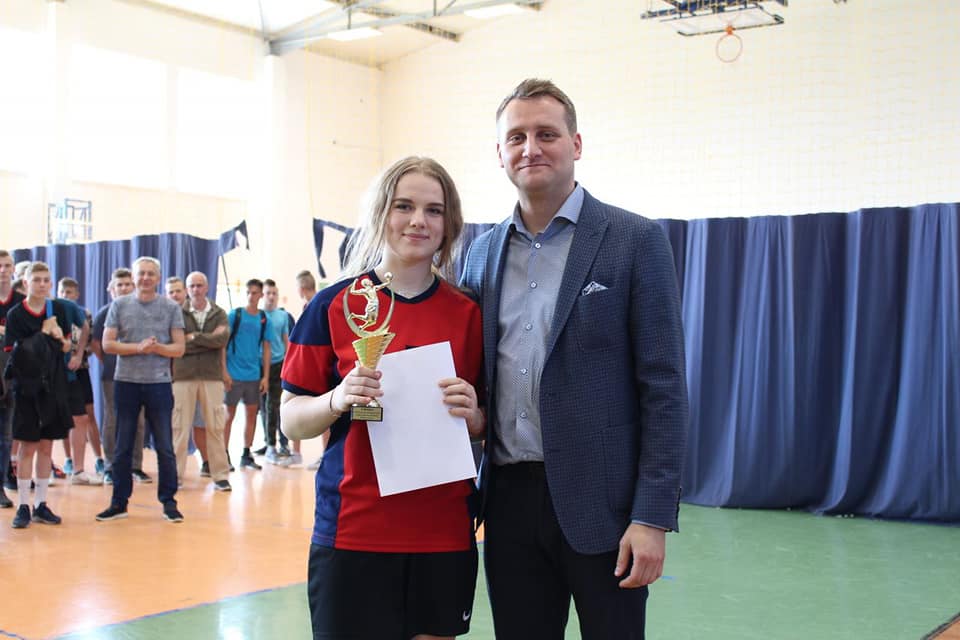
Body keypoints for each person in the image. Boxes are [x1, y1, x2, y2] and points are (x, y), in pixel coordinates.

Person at [460, 79, 688, 640]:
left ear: (576, 144)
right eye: (516, 137)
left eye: (546, 134)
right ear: (499, 154)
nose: (530, 148)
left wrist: (652, 516)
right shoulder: (481, 254)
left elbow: (664, 388)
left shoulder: (635, 240)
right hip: (508, 505)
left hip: (606, 509)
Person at [281, 156, 484, 640]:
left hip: (443, 532)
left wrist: (476, 417)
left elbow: (487, 422)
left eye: (434, 210)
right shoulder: (332, 305)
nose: (418, 221)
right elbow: (290, 420)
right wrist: (337, 399)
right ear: (381, 213)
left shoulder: (470, 314)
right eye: (404, 206)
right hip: (354, 530)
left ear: (449, 224)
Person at [96, 257, 185, 523]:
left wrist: (157, 348)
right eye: (141, 274)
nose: (145, 278)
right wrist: (138, 347)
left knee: (165, 446)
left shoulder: (171, 307)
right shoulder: (119, 305)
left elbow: (179, 348)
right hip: (126, 383)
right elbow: (107, 344)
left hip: (159, 384)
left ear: (158, 278)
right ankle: (119, 502)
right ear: (134, 278)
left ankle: (169, 502)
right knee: (123, 445)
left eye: (150, 274)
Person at [3, 262, 74, 528]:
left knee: (46, 446)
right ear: (26, 283)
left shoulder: (59, 310)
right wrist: (42, 333)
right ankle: (23, 504)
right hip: (26, 388)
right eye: (37, 280)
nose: (42, 284)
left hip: (53, 386)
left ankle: (41, 504)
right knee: (27, 447)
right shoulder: (16, 315)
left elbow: (66, 346)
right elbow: (15, 353)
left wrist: (61, 338)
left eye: (46, 280)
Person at [172, 271, 231, 491]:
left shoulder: (219, 313)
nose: (196, 289)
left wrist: (193, 337)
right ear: (187, 289)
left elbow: (221, 340)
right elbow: (177, 344)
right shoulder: (177, 312)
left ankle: (220, 475)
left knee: (215, 426)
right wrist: (207, 340)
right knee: (180, 427)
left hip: (211, 377)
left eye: (199, 285)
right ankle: (175, 476)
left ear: (206, 287)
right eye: (192, 286)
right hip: (183, 377)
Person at [91, 268, 148, 485]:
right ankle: (110, 466)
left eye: (127, 284)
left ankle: (135, 466)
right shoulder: (104, 313)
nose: (124, 288)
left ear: (134, 286)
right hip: (112, 375)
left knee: (138, 420)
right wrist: (109, 361)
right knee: (112, 420)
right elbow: (96, 344)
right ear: (111, 289)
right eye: (119, 285)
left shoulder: (144, 311)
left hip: (140, 374)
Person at [223, 279, 275, 471]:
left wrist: (265, 377)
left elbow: (267, 348)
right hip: (233, 374)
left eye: (254, 293)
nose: (251, 296)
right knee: (229, 415)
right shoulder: (234, 315)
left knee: (251, 414)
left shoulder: (263, 319)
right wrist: (224, 372)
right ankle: (224, 455)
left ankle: (246, 454)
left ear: (261, 295)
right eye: (248, 292)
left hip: (253, 375)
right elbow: (222, 345)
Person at [57, 277, 104, 485]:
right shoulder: (54, 311)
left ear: (77, 294)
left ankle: (98, 458)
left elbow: (90, 340)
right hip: (59, 371)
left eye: (70, 292)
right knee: (65, 417)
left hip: (81, 370)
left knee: (87, 415)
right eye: (62, 292)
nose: (66, 295)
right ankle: (69, 459)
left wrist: (77, 355)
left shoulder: (84, 314)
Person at [257, 278, 296, 465]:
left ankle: (282, 444)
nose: (271, 297)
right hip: (259, 366)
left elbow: (286, 340)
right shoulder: (258, 315)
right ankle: (268, 443)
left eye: (274, 293)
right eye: (268, 293)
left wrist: (289, 365)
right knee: (264, 407)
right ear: (262, 295)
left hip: (279, 365)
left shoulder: (282, 316)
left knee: (276, 405)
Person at [0, 250, 25, 508]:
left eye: (7, 265)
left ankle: (2, 484)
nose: (3, 270)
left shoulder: (21, 302)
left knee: (6, 436)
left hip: (11, 376)